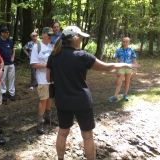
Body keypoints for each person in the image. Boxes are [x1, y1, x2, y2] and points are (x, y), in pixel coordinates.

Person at [46, 26, 139, 160]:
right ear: (75, 38)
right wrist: (126, 65)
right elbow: (107, 67)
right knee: (87, 136)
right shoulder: (82, 56)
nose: (81, 40)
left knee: (62, 133)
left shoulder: (53, 56)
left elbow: (49, 78)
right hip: (82, 101)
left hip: (62, 100)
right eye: (81, 37)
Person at [30, 27, 59, 134]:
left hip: (52, 78)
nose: (51, 36)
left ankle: (48, 118)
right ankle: (40, 122)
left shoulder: (52, 46)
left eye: (52, 35)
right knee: (43, 99)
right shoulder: (36, 47)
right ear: (43, 35)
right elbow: (33, 64)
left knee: (50, 98)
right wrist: (48, 65)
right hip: (42, 79)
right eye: (48, 34)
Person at [108, 37, 137, 102]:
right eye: (124, 41)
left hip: (129, 68)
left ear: (129, 43)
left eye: (126, 42)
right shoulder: (118, 50)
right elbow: (116, 60)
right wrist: (117, 69)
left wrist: (135, 70)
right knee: (118, 82)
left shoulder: (131, 51)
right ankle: (115, 96)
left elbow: (134, 61)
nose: (125, 43)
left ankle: (125, 95)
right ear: (122, 42)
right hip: (121, 68)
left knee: (127, 81)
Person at [0, 26, 16, 101]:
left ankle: (12, 93)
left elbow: (13, 48)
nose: (7, 33)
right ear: (1, 33)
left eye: (8, 32)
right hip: (2, 64)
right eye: (6, 32)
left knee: (11, 78)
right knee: (2, 79)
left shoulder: (9, 41)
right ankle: (3, 93)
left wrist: (13, 56)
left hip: (10, 63)